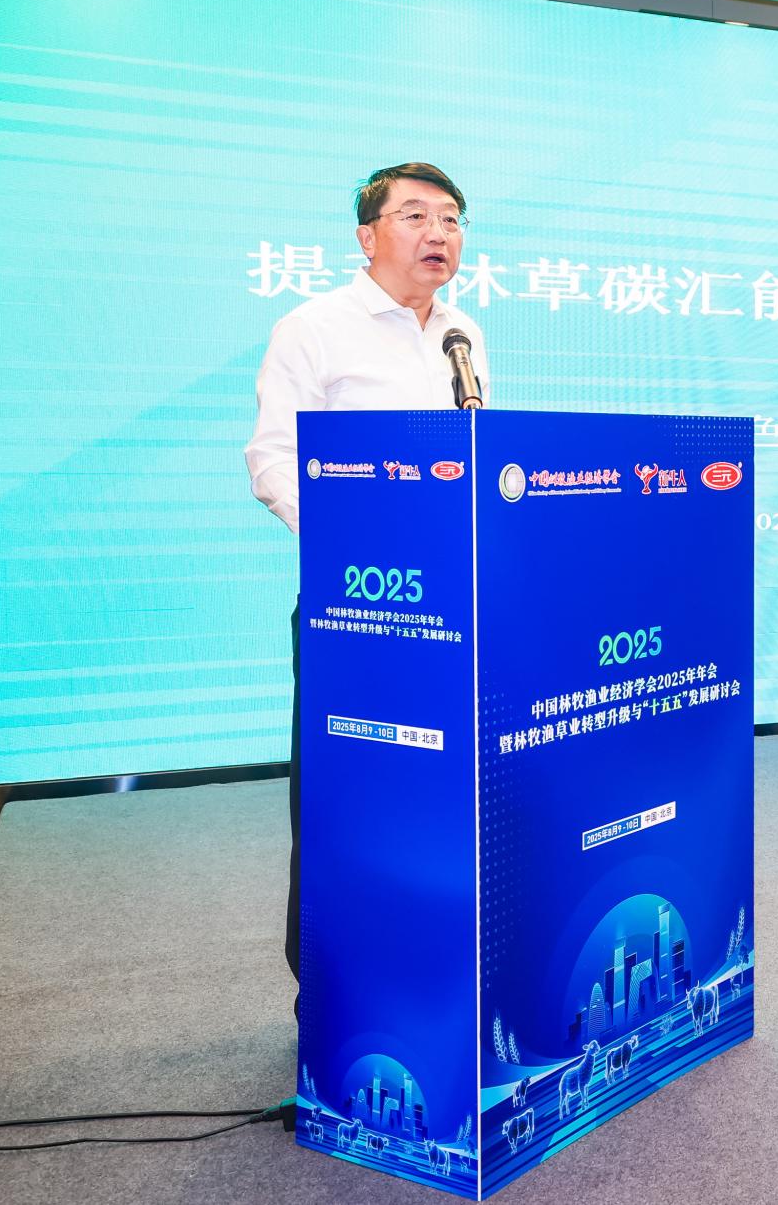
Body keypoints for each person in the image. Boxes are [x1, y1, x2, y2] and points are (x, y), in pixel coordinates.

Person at [244, 162, 487, 979]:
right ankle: (326, 988)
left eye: (451, 219)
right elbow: (273, 460)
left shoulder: (462, 335)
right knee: (345, 797)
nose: (438, 233)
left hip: (454, 604)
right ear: (367, 235)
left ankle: (432, 970)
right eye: (415, 216)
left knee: (439, 792)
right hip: (356, 607)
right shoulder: (314, 328)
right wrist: (348, 548)